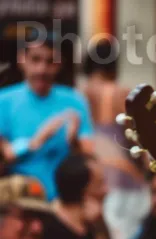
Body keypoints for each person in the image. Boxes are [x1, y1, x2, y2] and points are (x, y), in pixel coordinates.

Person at [0, 35, 94, 200]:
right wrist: (36, 141)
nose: (42, 69)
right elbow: (5, 156)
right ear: (22, 59)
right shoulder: (5, 100)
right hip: (21, 201)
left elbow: (88, 155)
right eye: (35, 60)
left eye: (50, 62)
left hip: (63, 202)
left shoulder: (75, 101)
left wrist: (73, 141)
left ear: (59, 64)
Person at [80, 38, 148, 239]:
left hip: (92, 180)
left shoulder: (79, 93)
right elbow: (140, 138)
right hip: (124, 176)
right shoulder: (121, 93)